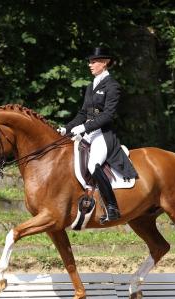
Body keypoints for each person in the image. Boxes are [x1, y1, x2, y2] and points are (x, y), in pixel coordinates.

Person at [58, 47, 138, 223]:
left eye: (94, 62)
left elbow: (108, 115)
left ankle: (112, 208)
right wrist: (68, 127)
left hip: (103, 135)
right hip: (87, 134)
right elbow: (83, 113)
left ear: (105, 62)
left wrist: (85, 128)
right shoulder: (90, 86)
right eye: (90, 62)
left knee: (94, 165)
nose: (90, 65)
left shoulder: (112, 86)